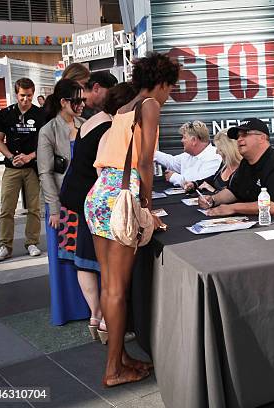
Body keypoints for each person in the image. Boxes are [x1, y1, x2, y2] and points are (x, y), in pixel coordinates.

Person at [85, 52, 179, 387]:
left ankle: (120, 359)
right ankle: (113, 369)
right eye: (171, 88)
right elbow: (144, 162)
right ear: (162, 82)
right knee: (117, 290)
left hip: (99, 194)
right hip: (121, 198)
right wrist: (147, 203)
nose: (170, 96)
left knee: (110, 285)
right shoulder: (150, 105)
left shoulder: (124, 109)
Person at [59, 83, 137, 340]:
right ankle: (106, 321)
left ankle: (95, 316)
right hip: (95, 199)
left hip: (79, 196)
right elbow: (103, 170)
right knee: (105, 263)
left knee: (84, 259)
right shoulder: (111, 128)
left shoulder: (90, 122)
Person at [37, 78, 89, 325]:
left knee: (84, 256)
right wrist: (55, 210)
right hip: (60, 205)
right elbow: (45, 172)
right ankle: (68, 311)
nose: (81, 105)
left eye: (83, 100)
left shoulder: (85, 124)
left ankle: (90, 306)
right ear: (63, 102)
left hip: (82, 202)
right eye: (77, 100)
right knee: (63, 260)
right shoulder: (48, 131)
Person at [199, 118, 274, 226]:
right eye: (238, 136)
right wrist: (213, 200)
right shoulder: (245, 163)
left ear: (262, 138)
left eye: (245, 134)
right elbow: (234, 192)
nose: (239, 139)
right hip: (259, 223)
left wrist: (232, 208)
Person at [0, 78, 45, 261]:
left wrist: (29, 156)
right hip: (11, 167)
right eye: (22, 96)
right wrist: (10, 156)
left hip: (32, 167)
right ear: (16, 94)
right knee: (7, 208)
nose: (26, 100)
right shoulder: (5, 114)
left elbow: (46, 143)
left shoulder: (41, 114)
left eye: (29, 96)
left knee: (34, 209)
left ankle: (32, 243)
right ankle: (5, 246)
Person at [154, 120, 222, 187]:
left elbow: (200, 182)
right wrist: (152, 153)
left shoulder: (214, 157)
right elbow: (172, 161)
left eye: (184, 137)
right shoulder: (188, 155)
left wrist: (174, 177)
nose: (182, 140)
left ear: (194, 140)